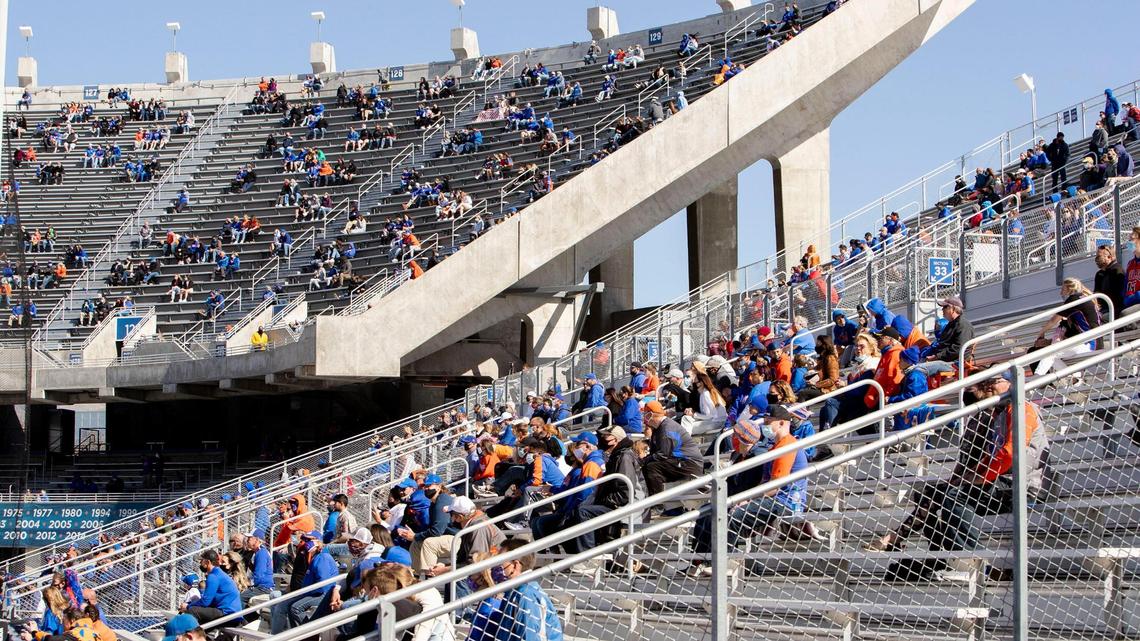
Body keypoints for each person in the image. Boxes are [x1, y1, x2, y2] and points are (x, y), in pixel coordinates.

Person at [690, 407, 808, 575]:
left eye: (768, 422)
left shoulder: (787, 446)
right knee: (706, 512)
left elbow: (775, 486)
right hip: (772, 499)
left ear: (781, 423)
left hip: (786, 501)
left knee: (734, 516)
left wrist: (749, 499)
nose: (765, 426)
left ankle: (724, 564)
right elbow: (764, 482)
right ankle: (701, 560)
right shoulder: (775, 447)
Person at [483, 538, 564, 641]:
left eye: (500, 562)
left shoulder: (526, 594)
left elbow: (529, 637)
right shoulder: (515, 590)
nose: (496, 567)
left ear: (515, 565)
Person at [269, 530, 338, 633]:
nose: (305, 542)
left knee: (294, 608)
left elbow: (323, 585)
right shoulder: (313, 556)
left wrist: (305, 593)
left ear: (317, 541)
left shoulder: (322, 557)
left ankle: (307, 633)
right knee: (281, 601)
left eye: (308, 540)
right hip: (310, 592)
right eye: (304, 539)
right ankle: (292, 634)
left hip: (322, 594)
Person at [1033, 277, 1101, 375]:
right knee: (1052, 356)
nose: (1061, 293)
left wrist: (1041, 333)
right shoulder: (1083, 298)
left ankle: (1036, 380)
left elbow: (1053, 320)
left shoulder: (1074, 299)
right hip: (1090, 341)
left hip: (1088, 342)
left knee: (1049, 353)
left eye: (1063, 289)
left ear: (1069, 289)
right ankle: (1074, 379)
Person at [640, 401, 702, 495]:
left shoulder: (666, 428)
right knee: (647, 465)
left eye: (645, 413)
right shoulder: (659, 428)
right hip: (680, 461)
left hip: (689, 463)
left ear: (652, 415)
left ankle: (657, 504)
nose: (644, 416)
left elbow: (663, 454)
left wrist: (642, 461)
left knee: (651, 467)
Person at [183, 550, 241, 625]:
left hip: (228, 614)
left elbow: (205, 602)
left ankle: (193, 635)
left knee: (192, 610)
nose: (200, 563)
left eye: (201, 561)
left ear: (208, 562)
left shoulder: (213, 576)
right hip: (229, 613)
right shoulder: (218, 573)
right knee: (201, 618)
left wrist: (188, 606)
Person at [241, 530, 274, 606]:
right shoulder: (258, 552)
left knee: (240, 597)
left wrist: (248, 584)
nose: (247, 540)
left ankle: (240, 618)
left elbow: (259, 575)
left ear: (257, 540)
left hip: (263, 587)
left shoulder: (261, 553)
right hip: (261, 586)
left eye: (250, 538)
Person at [1094, 244, 1126, 320]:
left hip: (1114, 308)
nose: (1096, 259)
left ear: (1109, 257)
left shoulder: (1117, 271)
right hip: (1102, 309)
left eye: (1099, 257)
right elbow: (1096, 293)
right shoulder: (1099, 274)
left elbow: (1118, 295)